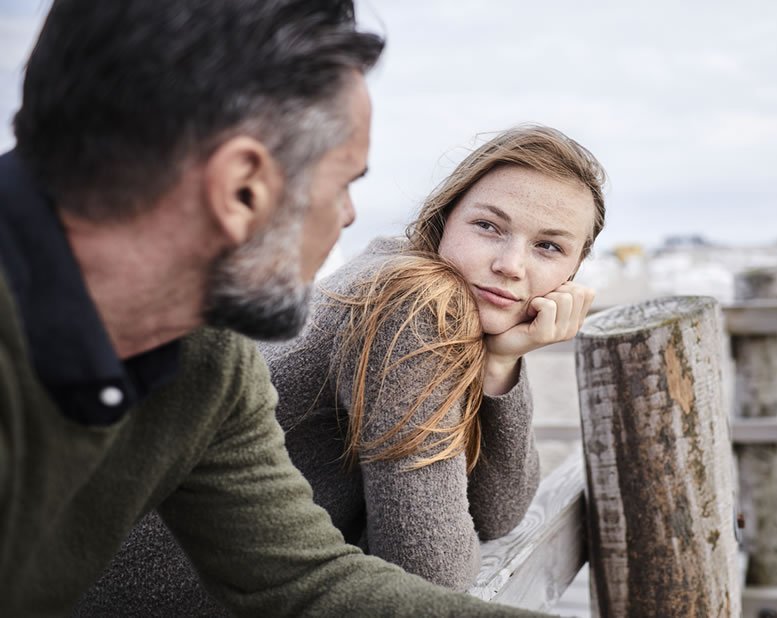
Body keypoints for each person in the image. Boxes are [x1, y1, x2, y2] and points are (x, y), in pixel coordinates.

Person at [0, 1, 547, 615]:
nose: (348, 216)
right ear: (241, 188)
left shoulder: (207, 358)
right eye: (344, 182)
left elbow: (302, 580)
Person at [75, 125, 607, 612]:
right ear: (444, 220)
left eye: (548, 246)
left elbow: (499, 514)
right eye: (489, 226)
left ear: (573, 271)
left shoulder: (431, 293)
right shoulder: (414, 303)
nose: (511, 265)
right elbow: (432, 573)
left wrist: (502, 363)